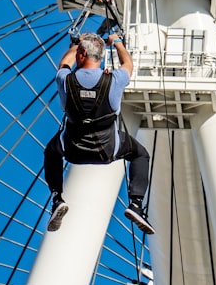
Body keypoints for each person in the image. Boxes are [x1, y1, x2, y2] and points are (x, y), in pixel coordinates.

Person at [43, 32, 154, 234]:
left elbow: (64, 64)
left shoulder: (65, 80)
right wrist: (117, 43)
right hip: (107, 150)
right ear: (101, 57)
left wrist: (75, 44)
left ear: (82, 53)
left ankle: (57, 197)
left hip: (73, 150)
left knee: (51, 152)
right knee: (140, 154)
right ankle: (136, 203)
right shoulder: (115, 80)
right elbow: (128, 65)